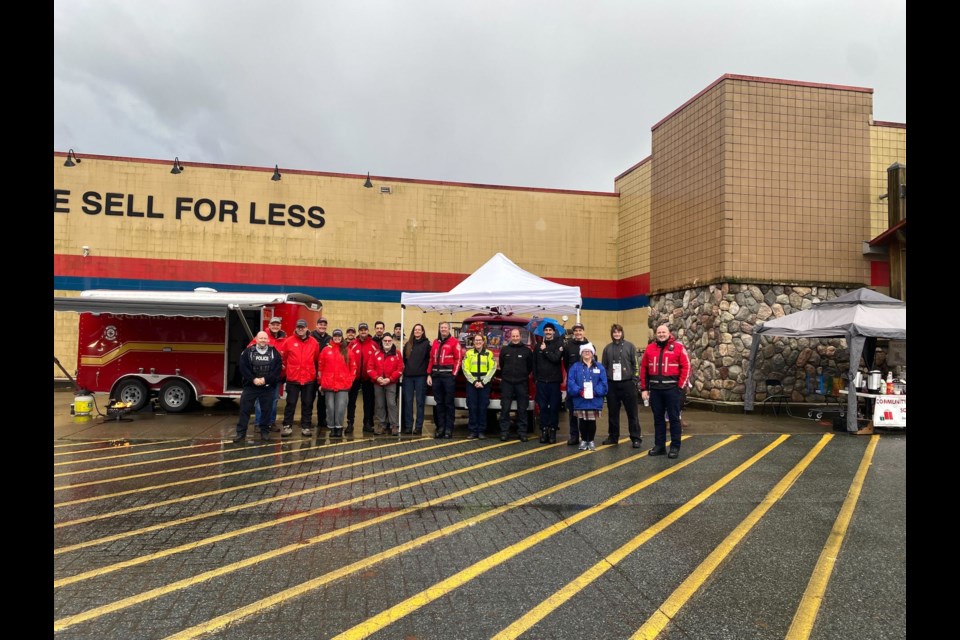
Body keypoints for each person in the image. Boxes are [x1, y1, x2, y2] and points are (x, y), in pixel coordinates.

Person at [640, 324, 691, 458]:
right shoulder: (650, 348)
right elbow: (644, 369)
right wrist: (644, 388)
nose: (661, 334)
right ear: (656, 334)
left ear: (669, 333)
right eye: (659, 332)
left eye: (664, 332)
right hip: (656, 391)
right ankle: (660, 446)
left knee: (674, 419)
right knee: (658, 419)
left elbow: (686, 367)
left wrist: (680, 387)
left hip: (672, 390)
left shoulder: (678, 348)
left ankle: (674, 447)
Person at [233, 331, 283, 444]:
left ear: (268, 340)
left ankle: (264, 432)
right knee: (244, 410)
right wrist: (253, 379)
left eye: (265, 338)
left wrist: (265, 380)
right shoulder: (248, 352)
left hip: (267, 387)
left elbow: (277, 369)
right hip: (251, 386)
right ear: (256, 339)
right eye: (261, 338)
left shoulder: (274, 352)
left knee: (266, 411)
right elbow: (243, 368)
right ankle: (240, 434)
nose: (263, 340)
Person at [601, 323, 643, 448]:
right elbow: (604, 366)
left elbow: (636, 364)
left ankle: (636, 438)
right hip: (612, 385)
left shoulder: (630, 346)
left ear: (622, 333)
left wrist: (634, 380)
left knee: (632, 413)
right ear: (612, 334)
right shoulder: (607, 348)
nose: (617, 334)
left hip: (628, 383)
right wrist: (606, 383)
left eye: (619, 332)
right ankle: (613, 437)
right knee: (613, 413)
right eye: (614, 332)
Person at [279, 319, 320, 437]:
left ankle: (306, 426)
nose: (301, 329)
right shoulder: (288, 341)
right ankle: (287, 426)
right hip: (293, 379)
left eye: (303, 327)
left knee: (307, 403)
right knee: (290, 403)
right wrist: (289, 371)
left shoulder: (314, 342)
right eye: (299, 327)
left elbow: (316, 359)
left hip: (308, 379)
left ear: (307, 328)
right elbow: (284, 358)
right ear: (296, 328)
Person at [565, 342, 608, 451]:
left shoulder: (599, 367)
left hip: (594, 399)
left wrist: (595, 392)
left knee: (591, 421)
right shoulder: (575, 367)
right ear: (581, 353)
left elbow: (603, 383)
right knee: (582, 421)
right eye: (584, 351)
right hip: (580, 399)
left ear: (592, 353)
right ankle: (584, 440)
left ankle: (591, 441)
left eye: (589, 351)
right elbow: (570, 381)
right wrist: (579, 391)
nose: (587, 353)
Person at [317, 328, 359, 438]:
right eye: (335, 336)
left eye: (339, 336)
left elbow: (353, 368)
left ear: (341, 337)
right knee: (330, 407)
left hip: (343, 385)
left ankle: (339, 427)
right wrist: (321, 382)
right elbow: (320, 368)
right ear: (332, 337)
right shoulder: (326, 350)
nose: (337, 338)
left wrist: (349, 380)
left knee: (340, 407)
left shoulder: (348, 351)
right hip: (328, 384)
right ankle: (332, 427)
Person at [426, 321, 462, 439]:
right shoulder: (436, 342)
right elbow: (431, 359)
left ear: (449, 329)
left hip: (448, 378)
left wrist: (453, 375)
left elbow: (458, 359)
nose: (443, 329)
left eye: (445, 327)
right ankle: (440, 428)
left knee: (449, 404)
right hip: (436, 377)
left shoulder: (454, 342)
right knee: (439, 404)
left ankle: (448, 429)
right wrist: (429, 374)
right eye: (441, 327)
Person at [499, 327, 533, 442]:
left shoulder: (526, 351)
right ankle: (504, 432)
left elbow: (529, 367)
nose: (515, 338)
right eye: (513, 336)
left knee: (522, 409)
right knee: (505, 409)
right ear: (510, 337)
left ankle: (522, 432)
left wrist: (522, 375)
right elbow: (501, 364)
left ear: (520, 336)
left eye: (517, 336)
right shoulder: (505, 350)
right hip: (507, 383)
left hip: (521, 383)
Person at [532, 322, 563, 444]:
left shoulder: (559, 345)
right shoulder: (538, 346)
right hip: (541, 382)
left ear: (554, 332)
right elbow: (534, 364)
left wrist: (545, 351)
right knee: (543, 407)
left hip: (554, 382)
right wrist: (536, 379)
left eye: (550, 330)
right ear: (543, 332)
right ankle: (544, 430)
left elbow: (555, 359)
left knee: (554, 408)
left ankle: (553, 431)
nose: (548, 332)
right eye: (546, 330)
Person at [254, 317, 286, 431]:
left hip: (276, 377)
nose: (275, 326)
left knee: (274, 400)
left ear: (280, 326)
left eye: (277, 324)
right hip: (261, 376)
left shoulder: (284, 340)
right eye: (273, 324)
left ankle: (271, 422)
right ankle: (258, 423)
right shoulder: (262, 337)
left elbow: (287, 356)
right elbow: (250, 352)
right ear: (269, 325)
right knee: (260, 399)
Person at [561, 322, 590, 445]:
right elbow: (566, 363)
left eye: (580, 330)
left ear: (584, 331)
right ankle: (574, 436)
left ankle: (585, 436)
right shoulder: (568, 346)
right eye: (576, 331)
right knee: (572, 411)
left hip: (586, 383)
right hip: (572, 384)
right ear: (573, 333)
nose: (578, 333)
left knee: (585, 411)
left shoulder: (589, 345)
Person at [368, 333, 403, 435]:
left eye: (389, 341)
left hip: (390, 383)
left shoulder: (397, 354)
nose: (387, 342)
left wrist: (390, 379)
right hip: (378, 383)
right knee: (380, 404)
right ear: (382, 342)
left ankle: (393, 425)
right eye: (385, 341)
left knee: (391, 404)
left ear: (392, 342)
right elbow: (370, 368)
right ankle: (382, 424)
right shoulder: (376, 353)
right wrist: (377, 378)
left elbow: (400, 369)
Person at [463, 333, 496, 439]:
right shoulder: (468, 353)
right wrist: (474, 382)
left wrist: (483, 382)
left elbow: (492, 369)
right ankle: (473, 431)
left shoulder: (489, 354)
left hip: (484, 384)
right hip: (472, 384)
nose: (478, 342)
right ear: (473, 342)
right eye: (476, 340)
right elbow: (465, 368)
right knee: (472, 407)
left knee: (482, 407)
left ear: (483, 342)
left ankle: (481, 431)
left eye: (479, 340)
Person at [401, 323, 431, 435]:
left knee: (420, 402)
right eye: (415, 330)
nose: (417, 331)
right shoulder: (408, 345)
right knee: (408, 402)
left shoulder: (427, 344)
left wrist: (429, 374)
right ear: (413, 332)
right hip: (408, 377)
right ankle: (408, 426)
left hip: (421, 377)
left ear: (423, 332)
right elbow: (404, 360)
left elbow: (430, 360)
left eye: (419, 330)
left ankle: (418, 427)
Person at [355, 322, 379, 433]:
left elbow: (377, 362)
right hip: (354, 379)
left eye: (365, 329)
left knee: (368, 402)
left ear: (368, 331)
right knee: (351, 402)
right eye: (361, 330)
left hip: (368, 379)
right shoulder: (353, 344)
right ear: (358, 331)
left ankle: (367, 423)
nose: (363, 331)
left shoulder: (374, 344)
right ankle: (350, 423)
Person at [310, 317, 332, 432]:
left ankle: (322, 420)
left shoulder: (330, 339)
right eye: (320, 324)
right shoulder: (311, 337)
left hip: (324, 374)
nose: (322, 326)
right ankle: (307, 422)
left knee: (322, 399)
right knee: (309, 398)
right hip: (311, 372)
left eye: (324, 325)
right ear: (317, 325)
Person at [345, 327, 360, 432]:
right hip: (343, 378)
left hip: (355, 377)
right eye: (348, 332)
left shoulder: (356, 344)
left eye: (352, 332)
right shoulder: (342, 345)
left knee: (352, 401)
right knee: (342, 402)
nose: (350, 334)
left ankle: (350, 422)